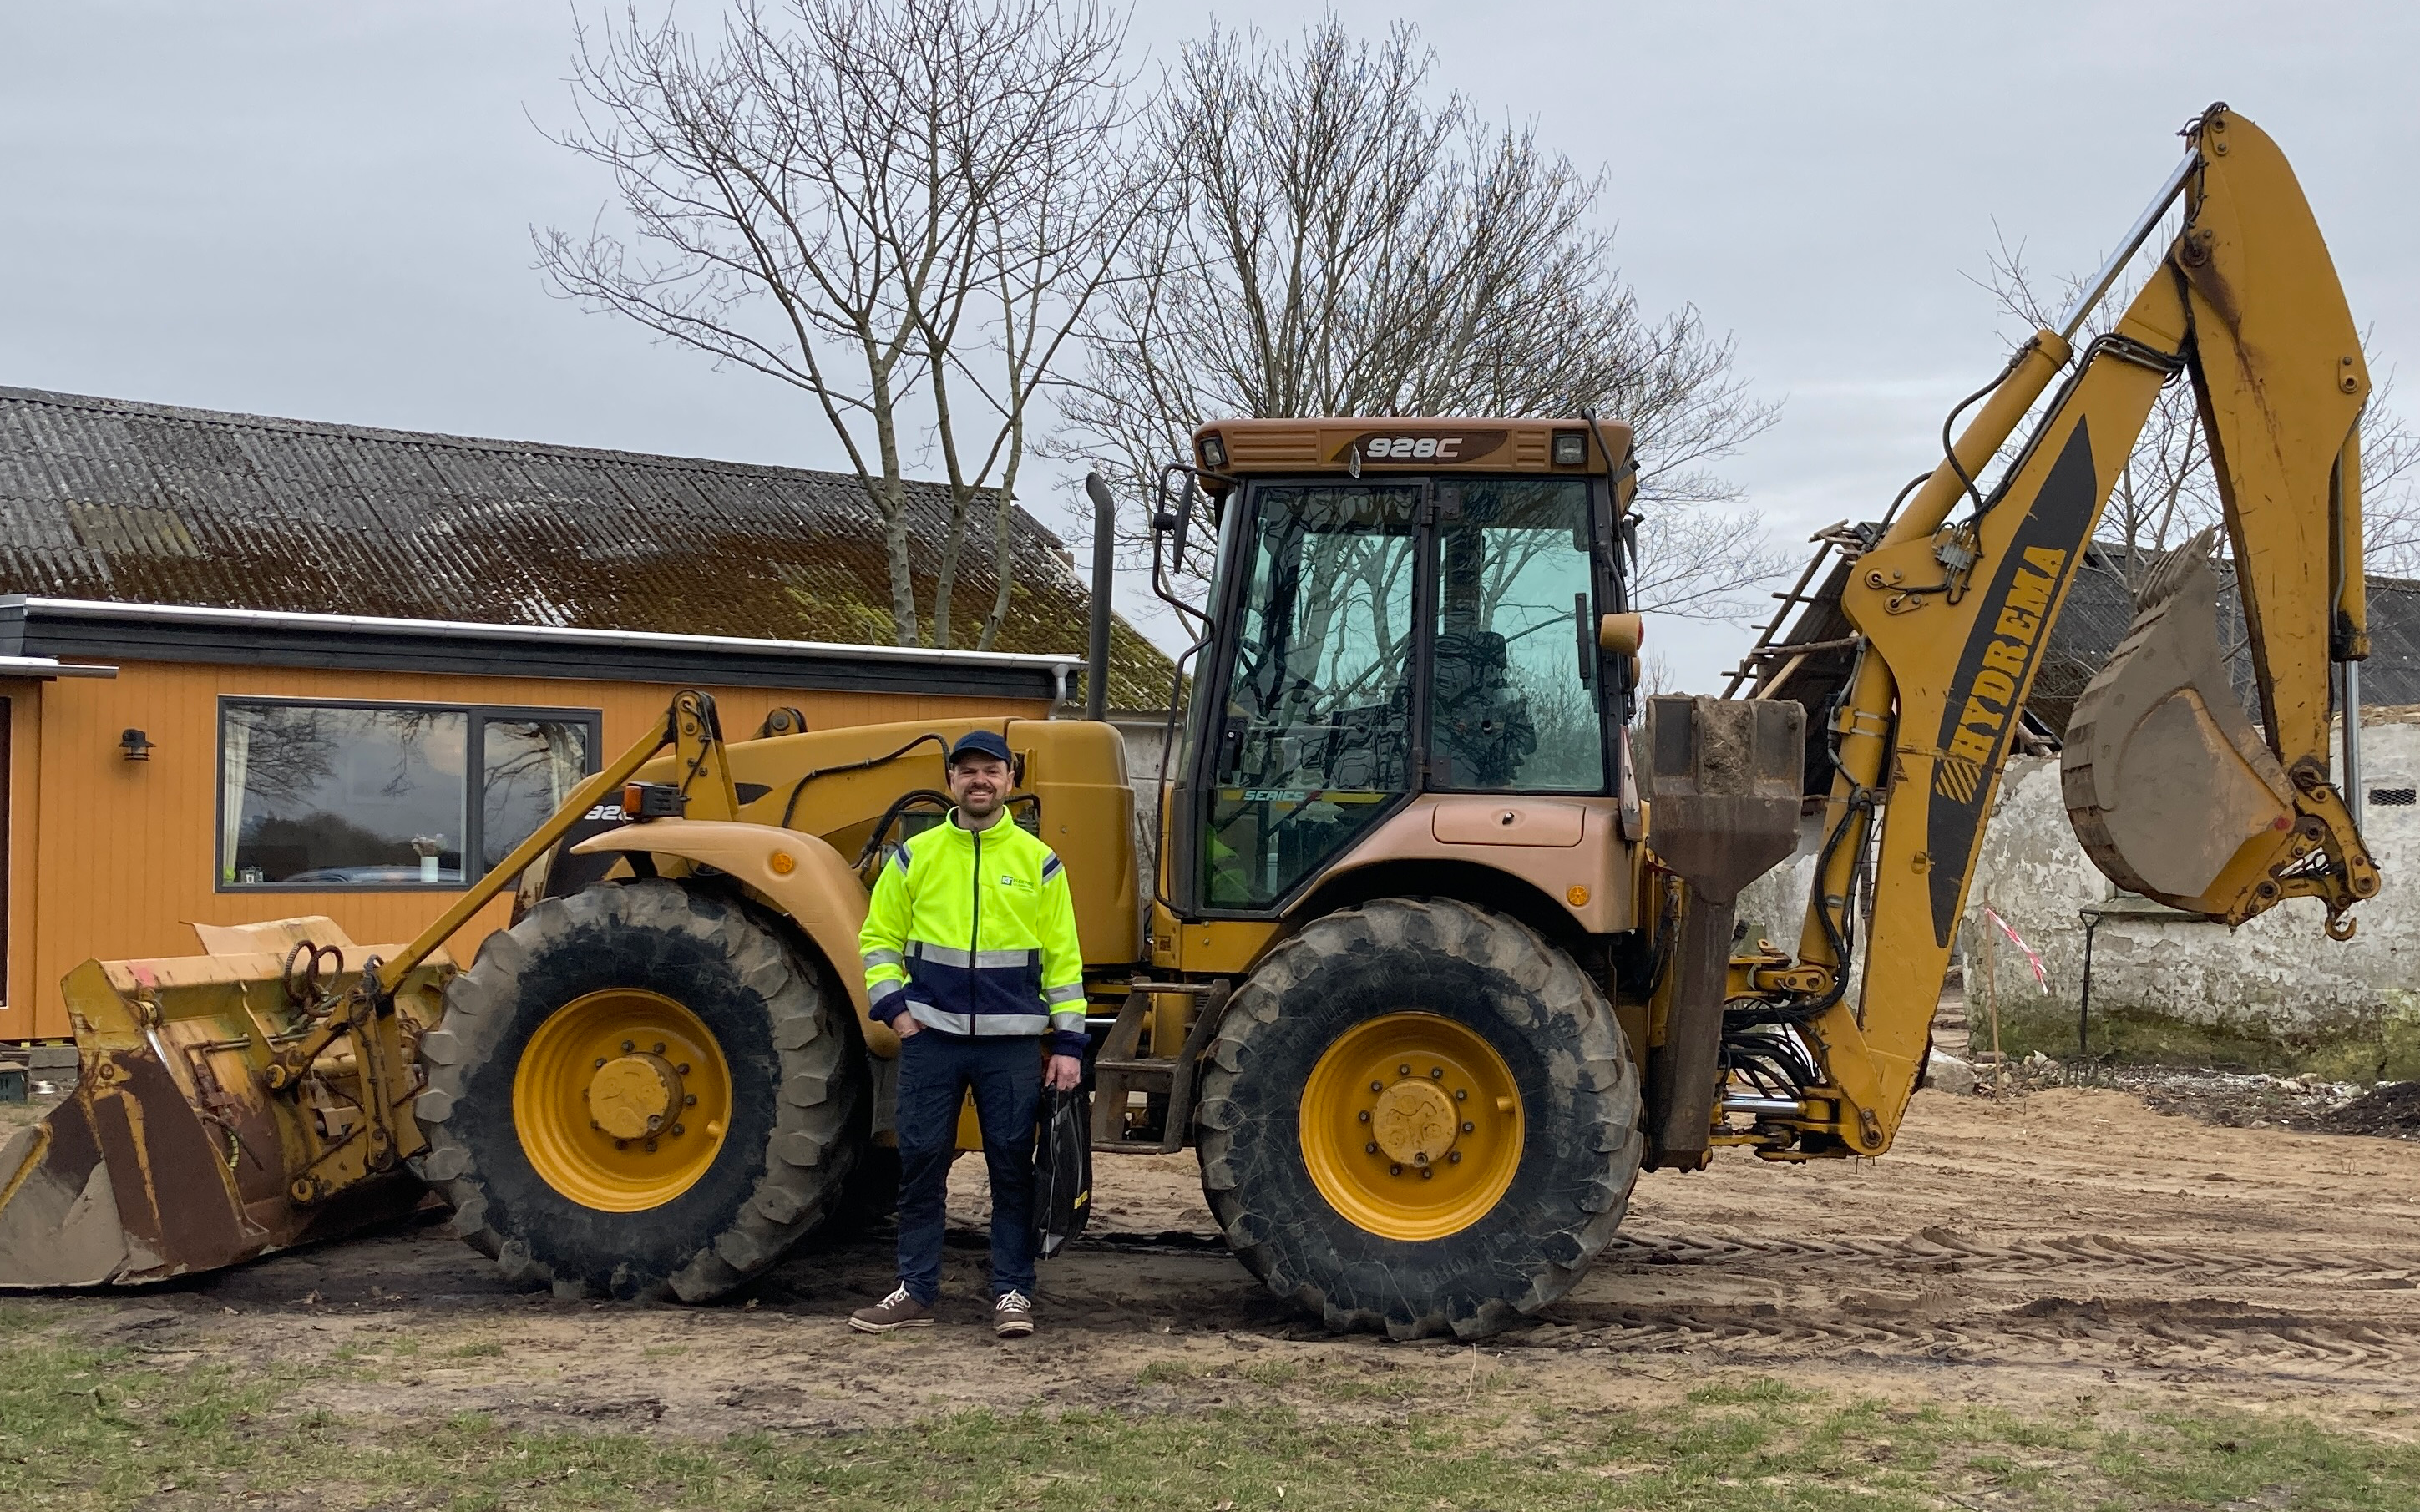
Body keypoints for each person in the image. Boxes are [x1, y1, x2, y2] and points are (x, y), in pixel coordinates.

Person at [848, 730, 1086, 1338]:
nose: (980, 780)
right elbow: (877, 940)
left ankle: (1012, 1293)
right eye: (968, 771)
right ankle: (916, 1290)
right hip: (933, 1040)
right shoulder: (915, 855)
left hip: (1011, 1044)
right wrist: (896, 1011)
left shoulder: (1039, 861)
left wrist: (1067, 1043)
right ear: (951, 780)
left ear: (1010, 780)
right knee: (921, 1165)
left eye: (991, 771)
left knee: (1012, 1169)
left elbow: (1063, 958)